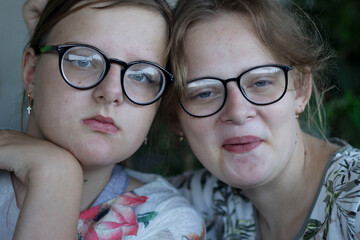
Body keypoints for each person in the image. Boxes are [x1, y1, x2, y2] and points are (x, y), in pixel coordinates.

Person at [0, 0, 205, 239]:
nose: (111, 92)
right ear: (31, 74)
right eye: (83, 61)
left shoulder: (168, 221)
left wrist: (55, 176)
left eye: (142, 76)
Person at [160, 0, 360, 239]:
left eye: (261, 82)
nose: (237, 112)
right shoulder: (182, 204)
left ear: (300, 89)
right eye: (204, 92)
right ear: (176, 119)